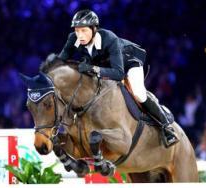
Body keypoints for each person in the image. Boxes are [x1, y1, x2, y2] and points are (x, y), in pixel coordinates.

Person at [58, 9, 178, 147]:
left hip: (129, 62)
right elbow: (60, 60)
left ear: (94, 29)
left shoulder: (110, 39)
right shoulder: (73, 39)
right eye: (77, 31)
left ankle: (166, 127)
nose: (80, 35)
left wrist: (92, 69)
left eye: (84, 30)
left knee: (138, 93)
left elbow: (118, 73)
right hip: (107, 65)